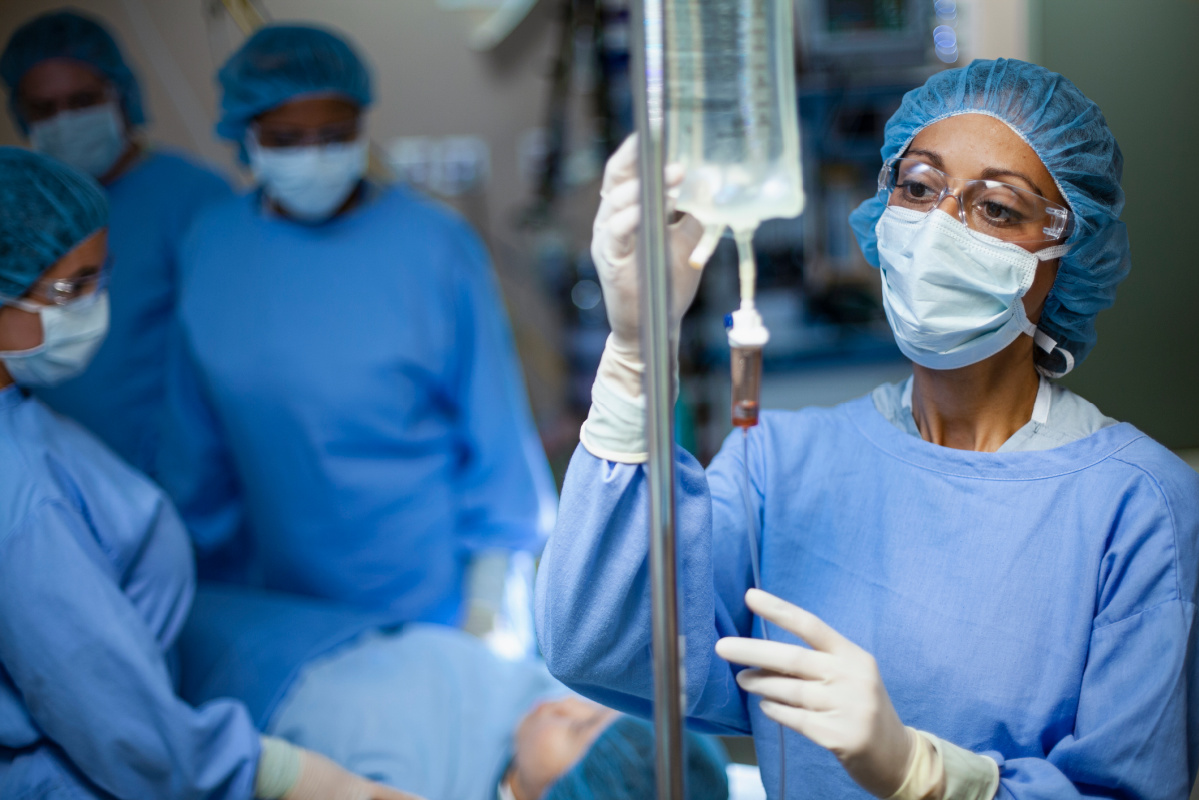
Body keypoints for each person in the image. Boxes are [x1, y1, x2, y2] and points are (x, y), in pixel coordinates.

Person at [536, 59, 1199, 799]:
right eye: (918, 188)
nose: (939, 227)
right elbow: (602, 641)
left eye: (996, 208)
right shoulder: (781, 465)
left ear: (1064, 258)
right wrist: (636, 347)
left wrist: (931, 777)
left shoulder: (1139, 509)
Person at [0, 147, 419, 800]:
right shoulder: (25, 504)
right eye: (71, 289)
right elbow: (119, 726)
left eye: (101, 276)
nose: (96, 305)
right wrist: (284, 775)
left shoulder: (23, 421)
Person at [156, 23, 555, 636]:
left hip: (432, 597)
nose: (313, 155)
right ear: (246, 136)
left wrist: (488, 605)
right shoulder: (212, 247)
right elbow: (195, 453)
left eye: (334, 135)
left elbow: (496, 439)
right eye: (287, 140)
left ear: (363, 127)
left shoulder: (433, 246)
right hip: (280, 604)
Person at [177, 585, 731, 800]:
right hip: (302, 629)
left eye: (580, 730)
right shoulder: (542, 697)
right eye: (597, 710)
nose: (568, 707)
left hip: (241, 710)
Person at [0, 10, 232, 474]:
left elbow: (222, 358)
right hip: (56, 462)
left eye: (82, 100)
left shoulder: (193, 198)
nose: (64, 120)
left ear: (121, 95)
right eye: (43, 109)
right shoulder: (22, 207)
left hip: (171, 473)